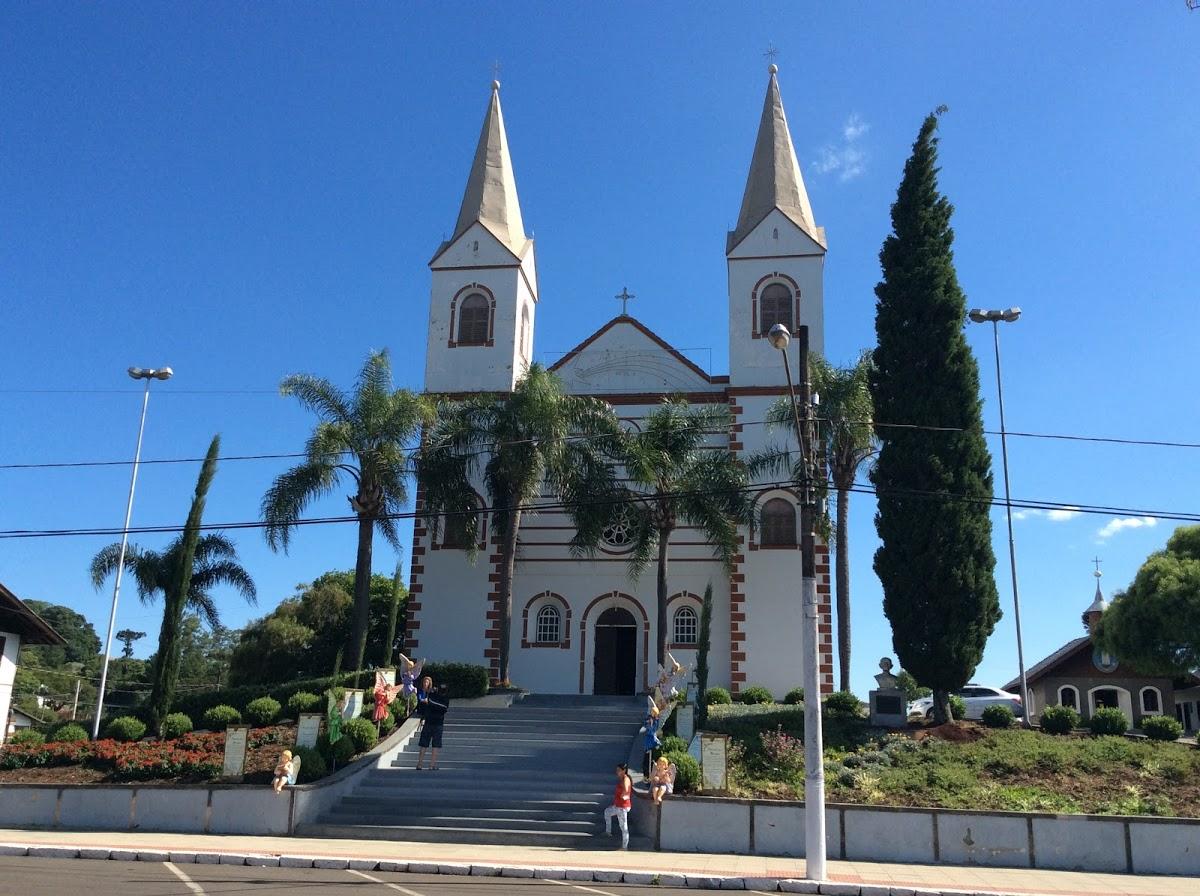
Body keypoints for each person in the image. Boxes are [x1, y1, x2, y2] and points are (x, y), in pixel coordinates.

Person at [415, 679, 449, 770]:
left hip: (428, 722)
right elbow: (444, 709)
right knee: (436, 745)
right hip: (438, 723)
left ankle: (420, 764)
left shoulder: (431, 696)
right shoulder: (445, 699)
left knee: (424, 744)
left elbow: (425, 705)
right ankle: (432, 765)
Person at [603, 762, 633, 849]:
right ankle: (608, 832)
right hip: (618, 805)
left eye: (619, 770)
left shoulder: (626, 779)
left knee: (623, 827)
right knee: (607, 812)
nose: (617, 772)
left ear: (624, 770)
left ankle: (624, 847)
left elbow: (626, 789)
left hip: (622, 806)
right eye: (617, 770)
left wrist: (624, 794)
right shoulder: (622, 779)